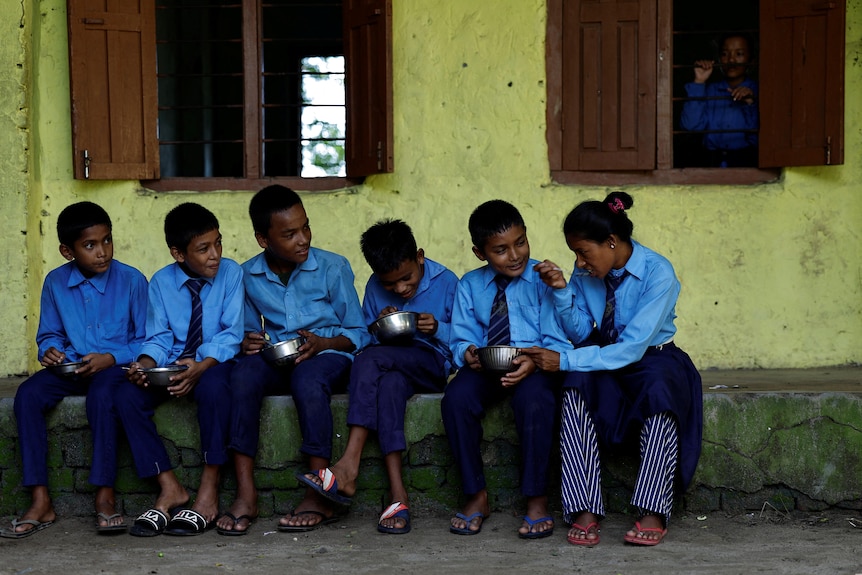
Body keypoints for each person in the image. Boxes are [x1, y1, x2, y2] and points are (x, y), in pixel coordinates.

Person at [525, 191, 703, 547]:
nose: (579, 262)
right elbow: (580, 332)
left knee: (660, 394)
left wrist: (565, 360)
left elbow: (634, 347)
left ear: (611, 241)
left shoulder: (659, 273)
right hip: (604, 355)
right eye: (575, 253)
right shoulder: (585, 270)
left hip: (653, 357)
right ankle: (584, 507)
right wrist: (561, 291)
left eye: (584, 252)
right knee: (573, 385)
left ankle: (653, 509)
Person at [216, 185, 368, 536]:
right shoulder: (248, 276)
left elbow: (357, 333)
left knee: (308, 379)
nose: (303, 239)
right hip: (279, 357)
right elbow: (249, 331)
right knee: (242, 377)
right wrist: (246, 341)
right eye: (289, 234)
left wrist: (325, 341)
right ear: (262, 239)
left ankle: (319, 489)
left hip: (329, 355)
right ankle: (246, 494)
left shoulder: (333, 267)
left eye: (305, 228)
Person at [295, 219, 457, 535]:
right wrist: (379, 325)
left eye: (407, 278)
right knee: (389, 387)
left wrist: (438, 328)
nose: (400, 288)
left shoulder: (447, 282)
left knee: (368, 361)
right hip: (394, 367)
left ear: (420, 256)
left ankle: (348, 464)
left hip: (431, 363)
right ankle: (398, 496)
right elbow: (367, 336)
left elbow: (467, 341)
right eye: (390, 284)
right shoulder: (373, 286)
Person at [1, 202, 147, 539]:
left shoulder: (132, 280)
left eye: (107, 240)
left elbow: (146, 340)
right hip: (72, 369)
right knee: (27, 395)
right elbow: (49, 334)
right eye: (90, 245)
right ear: (68, 251)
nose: (102, 252)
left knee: (102, 396)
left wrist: (111, 358)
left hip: (116, 369)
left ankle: (105, 495)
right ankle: (40, 499)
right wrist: (50, 351)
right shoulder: (55, 283)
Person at [441, 200, 569, 539]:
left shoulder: (544, 278)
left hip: (535, 365)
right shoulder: (470, 285)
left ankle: (536, 499)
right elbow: (461, 337)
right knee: (456, 399)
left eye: (521, 242)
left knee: (536, 401)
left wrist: (534, 361)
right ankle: (476, 494)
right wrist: (467, 352)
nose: (515, 255)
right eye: (500, 249)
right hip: (488, 365)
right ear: (480, 253)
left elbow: (558, 337)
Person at [117, 202, 244, 537]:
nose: (215, 254)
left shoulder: (232, 273)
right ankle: (169, 486)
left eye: (218, 243)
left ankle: (209, 488)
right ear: (178, 253)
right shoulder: (160, 282)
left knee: (215, 389)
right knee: (126, 394)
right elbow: (158, 336)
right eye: (203, 249)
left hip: (214, 363)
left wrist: (200, 367)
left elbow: (233, 333)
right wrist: (144, 364)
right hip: (173, 365)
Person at [680, 33, 758, 167]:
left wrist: (750, 104)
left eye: (739, 54)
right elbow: (690, 126)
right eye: (725, 54)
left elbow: (760, 138)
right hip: (710, 162)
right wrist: (699, 81)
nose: (731, 60)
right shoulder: (710, 90)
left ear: (751, 60)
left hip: (746, 162)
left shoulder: (759, 91)